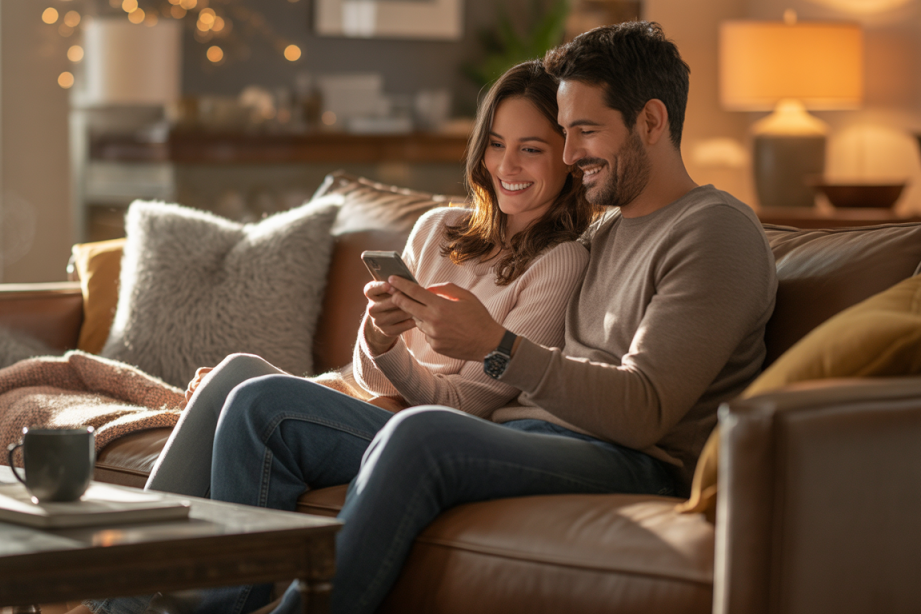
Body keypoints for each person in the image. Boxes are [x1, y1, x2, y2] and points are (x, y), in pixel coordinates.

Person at [83, 21, 776, 614]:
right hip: (524, 435)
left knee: (422, 437)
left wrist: (496, 345)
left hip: (630, 459)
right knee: (261, 401)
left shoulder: (715, 233)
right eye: (561, 135)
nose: (567, 156)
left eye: (583, 133)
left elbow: (645, 412)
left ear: (651, 122)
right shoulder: (602, 232)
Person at [131, 61, 596, 502]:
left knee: (254, 399)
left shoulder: (559, 262)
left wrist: (387, 370)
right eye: (496, 144)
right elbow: (367, 378)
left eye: (530, 149)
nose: (506, 166)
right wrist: (378, 337)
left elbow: (463, 405)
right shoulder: (438, 228)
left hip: (425, 435)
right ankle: (126, 577)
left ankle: (172, 579)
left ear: (570, 158)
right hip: (377, 408)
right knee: (235, 371)